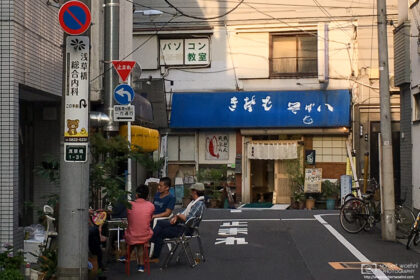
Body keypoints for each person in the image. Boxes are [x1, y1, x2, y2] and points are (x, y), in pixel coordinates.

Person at [150, 182, 205, 262]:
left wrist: (178, 216)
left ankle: (150, 244)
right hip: (182, 225)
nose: (190, 193)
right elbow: (183, 213)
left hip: (185, 229)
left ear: (195, 192)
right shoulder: (194, 202)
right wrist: (176, 216)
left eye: (191, 191)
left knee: (160, 230)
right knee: (160, 224)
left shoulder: (199, 204)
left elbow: (189, 219)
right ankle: (152, 245)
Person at [124, 185, 155, 272]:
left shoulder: (129, 205)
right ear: (147, 196)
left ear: (137, 195)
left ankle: (126, 256)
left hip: (132, 235)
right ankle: (141, 265)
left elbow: (129, 219)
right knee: (140, 242)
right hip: (145, 235)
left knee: (132, 235)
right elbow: (149, 217)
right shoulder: (151, 205)